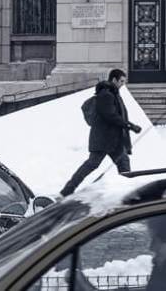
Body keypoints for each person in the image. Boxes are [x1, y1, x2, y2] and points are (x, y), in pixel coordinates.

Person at [60, 68, 141, 196]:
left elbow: (117, 115)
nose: (123, 84)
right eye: (121, 81)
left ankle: (128, 192)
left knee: (123, 163)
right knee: (92, 164)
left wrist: (128, 126)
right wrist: (130, 125)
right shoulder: (106, 95)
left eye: (124, 82)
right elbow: (111, 116)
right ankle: (67, 191)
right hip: (103, 139)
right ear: (114, 79)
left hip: (113, 140)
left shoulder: (113, 93)